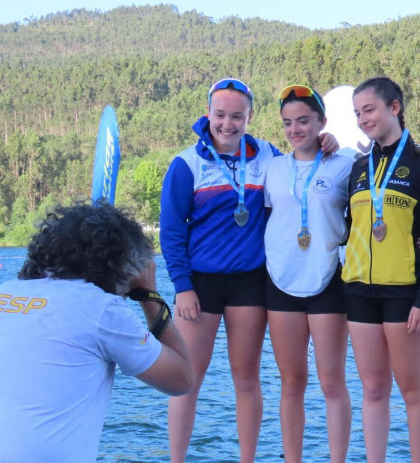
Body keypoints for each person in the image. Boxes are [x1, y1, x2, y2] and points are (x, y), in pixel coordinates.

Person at [159, 78, 338, 463]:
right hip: (199, 285)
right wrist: (182, 286)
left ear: (249, 117)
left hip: (250, 283)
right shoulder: (185, 164)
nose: (228, 124)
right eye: (220, 115)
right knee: (187, 381)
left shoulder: (269, 157)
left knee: (246, 379)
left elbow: (305, 160)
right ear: (208, 113)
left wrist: (329, 142)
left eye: (237, 116)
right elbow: (171, 233)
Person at [0, 202, 194, 462]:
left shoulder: (2, 293)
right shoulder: (100, 309)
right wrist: (148, 295)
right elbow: (182, 379)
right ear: (126, 267)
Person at [342, 76, 420, 463]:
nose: (362, 119)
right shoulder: (358, 166)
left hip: (405, 293)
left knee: (412, 391)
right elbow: (346, 230)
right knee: (372, 390)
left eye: (369, 110)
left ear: (394, 107)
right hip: (357, 292)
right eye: (357, 113)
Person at [264, 85, 353, 463]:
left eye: (303, 120)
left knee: (332, 383)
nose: (295, 129)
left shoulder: (344, 164)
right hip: (281, 280)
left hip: (328, 279)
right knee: (291, 382)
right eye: (288, 123)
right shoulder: (273, 167)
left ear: (322, 122)